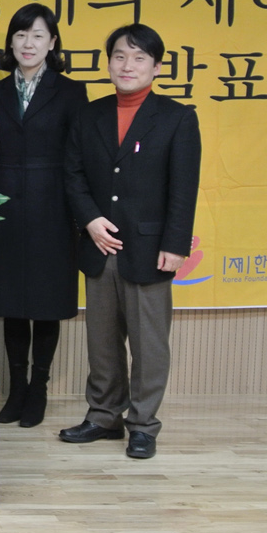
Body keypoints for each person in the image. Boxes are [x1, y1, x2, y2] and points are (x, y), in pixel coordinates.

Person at [60, 23, 201, 459]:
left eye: (139, 58)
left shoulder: (177, 117)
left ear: (157, 67)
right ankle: (104, 416)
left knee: (149, 343)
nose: (128, 65)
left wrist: (175, 245)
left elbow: (184, 187)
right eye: (120, 56)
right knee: (101, 340)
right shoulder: (90, 114)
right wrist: (90, 221)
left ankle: (143, 424)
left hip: (150, 248)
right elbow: (73, 174)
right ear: (108, 63)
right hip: (100, 244)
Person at [0, 3, 89, 428]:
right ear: (11, 41)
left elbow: (78, 155)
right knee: (11, 302)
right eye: (21, 34)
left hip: (54, 207)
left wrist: (80, 210)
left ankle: (40, 388)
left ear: (53, 43)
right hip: (4, 207)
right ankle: (17, 390)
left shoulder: (71, 92)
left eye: (38, 35)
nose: (29, 43)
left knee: (46, 302)